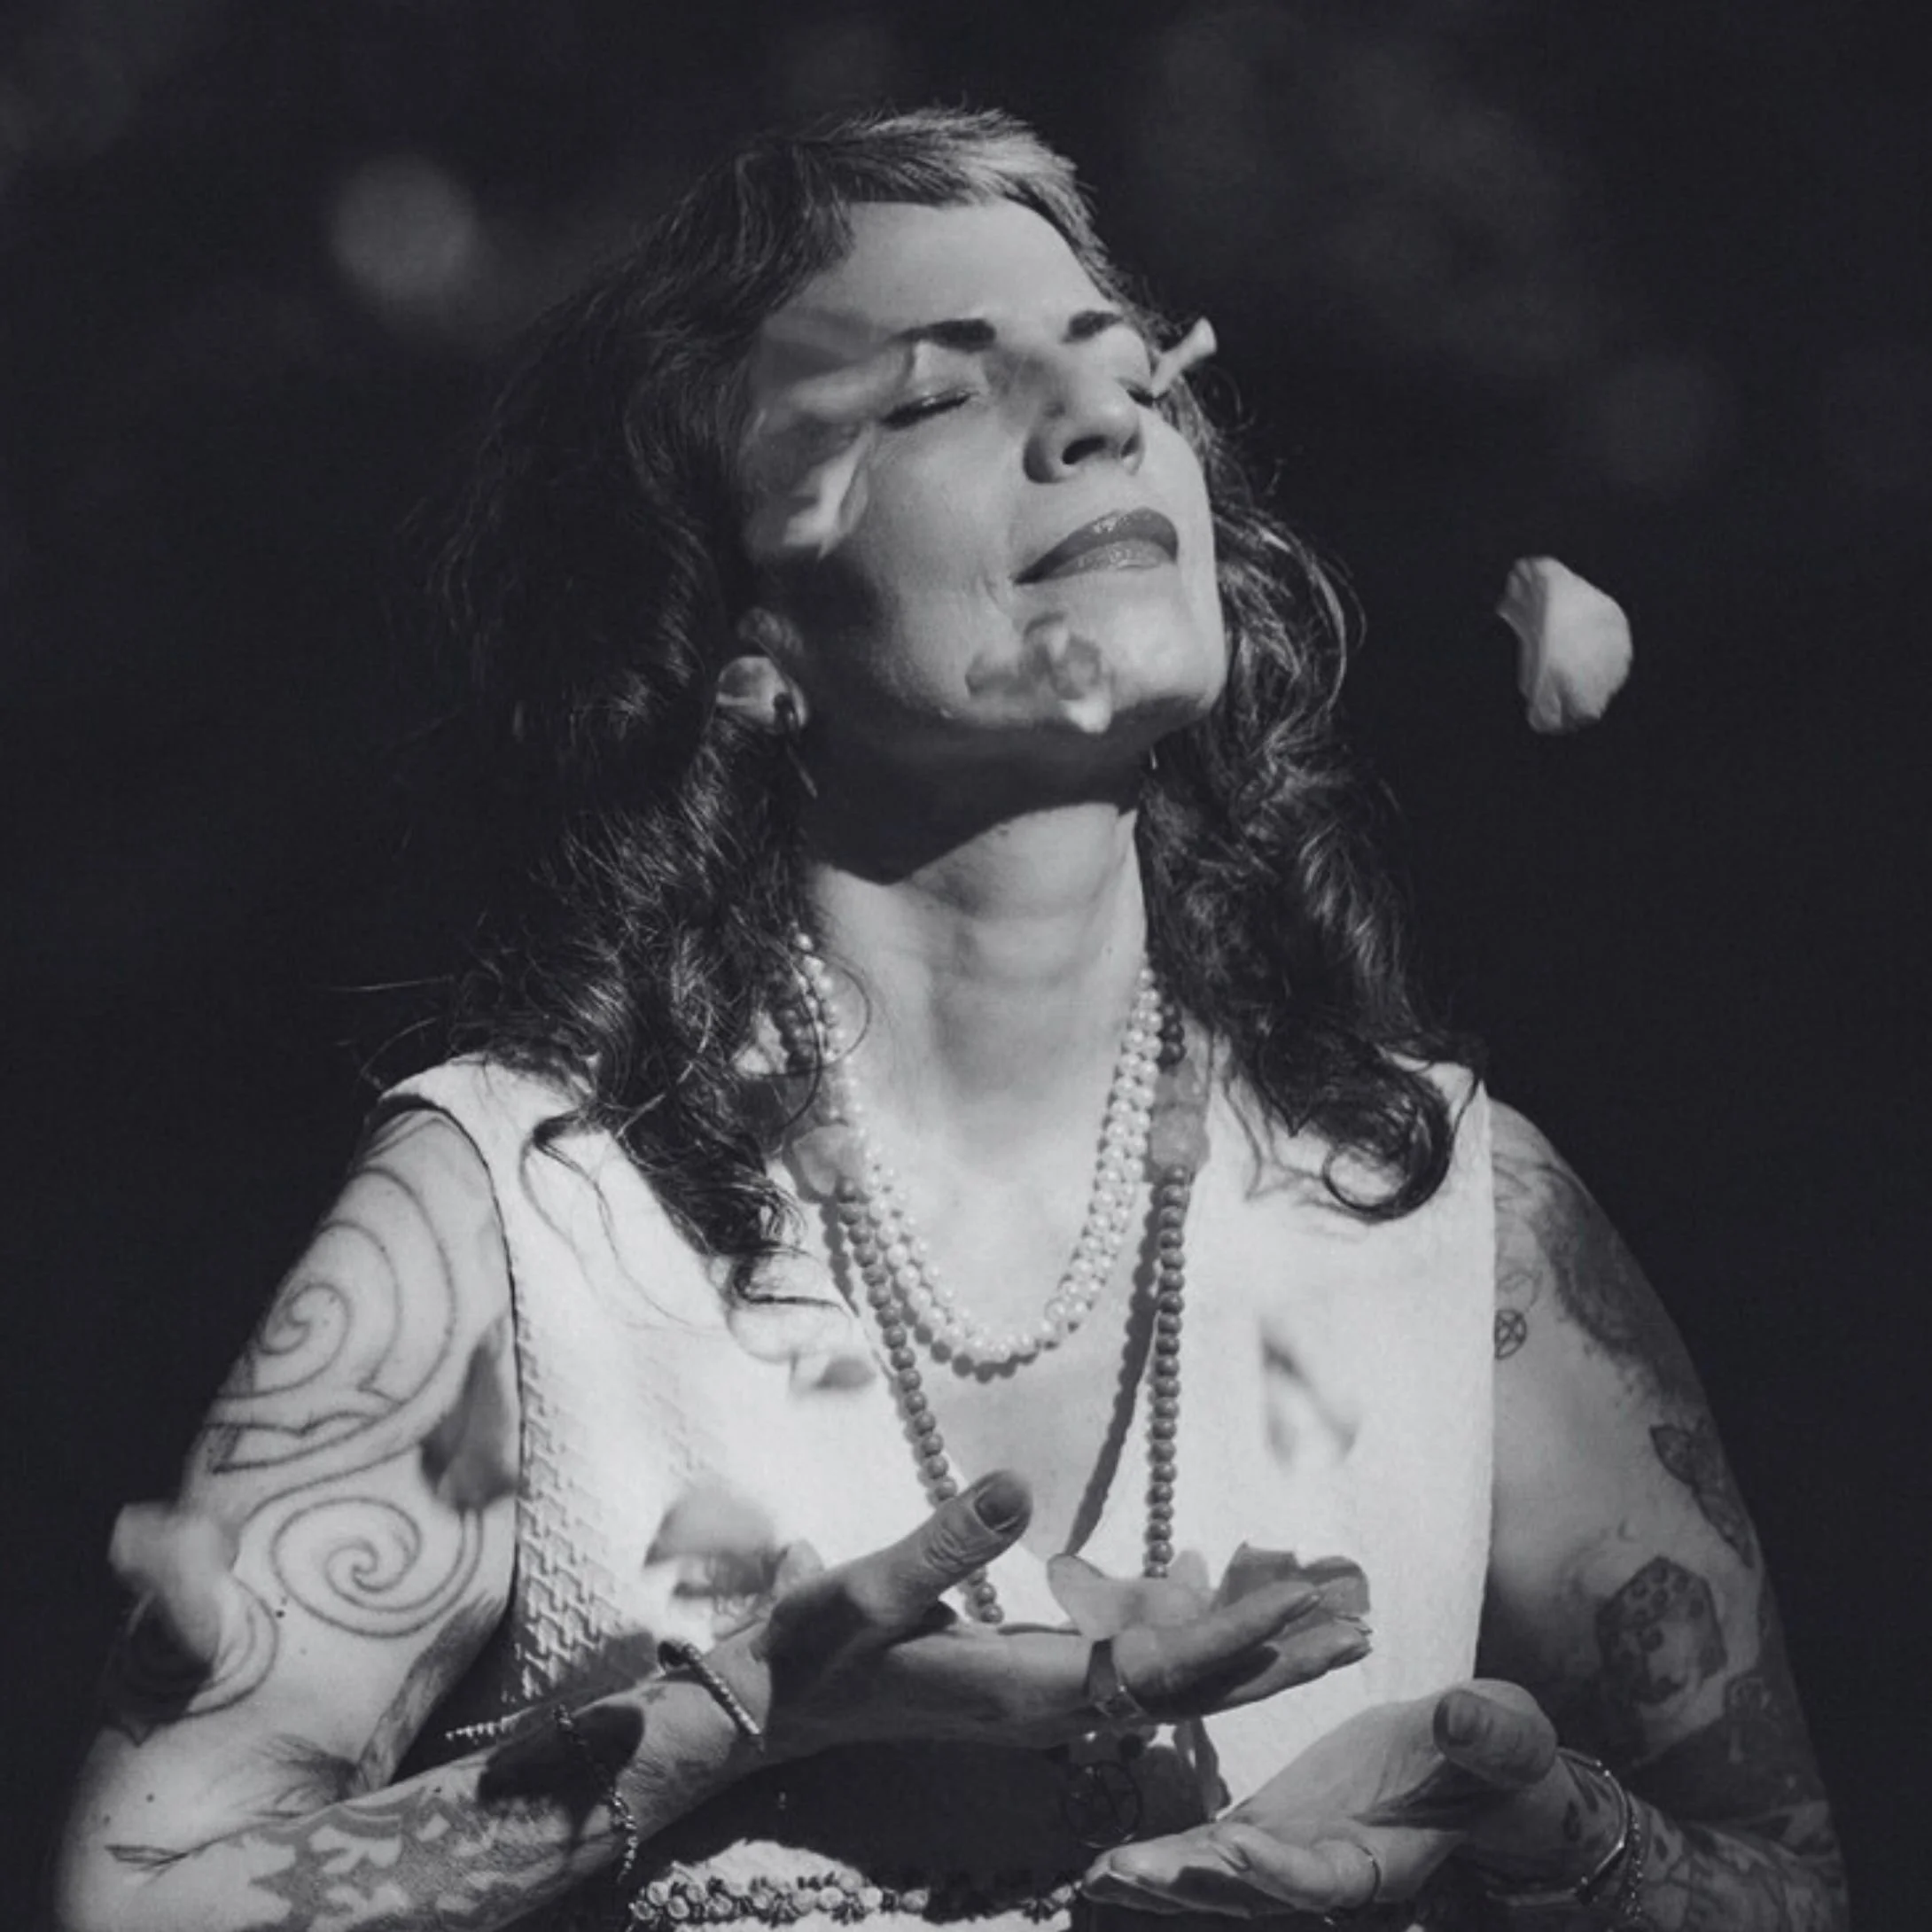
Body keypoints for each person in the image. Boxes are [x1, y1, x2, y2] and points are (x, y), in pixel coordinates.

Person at [49, 106, 1844, 1932]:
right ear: (735, 633)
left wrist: (1534, 1835)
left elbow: (1791, 1882)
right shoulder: (530, 1223)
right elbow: (134, 1897)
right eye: (930, 398)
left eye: (1123, 366)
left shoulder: (1450, 1215)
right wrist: (745, 1714)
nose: (1096, 422)